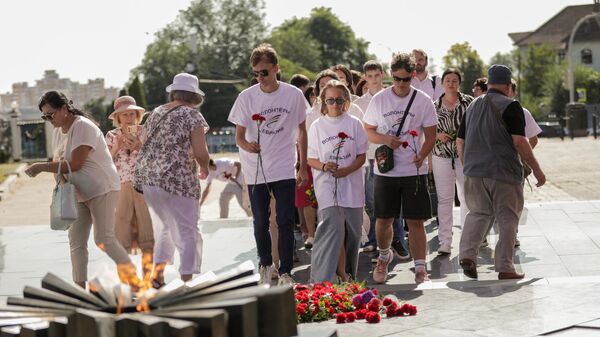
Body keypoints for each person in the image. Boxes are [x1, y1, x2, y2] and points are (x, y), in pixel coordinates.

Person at [25, 91, 140, 289]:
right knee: (76, 241)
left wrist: (40, 167)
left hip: (102, 188)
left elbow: (76, 163)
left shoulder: (83, 126)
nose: (48, 119)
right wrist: (60, 183)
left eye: (50, 114)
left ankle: (136, 282)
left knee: (103, 239)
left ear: (64, 109)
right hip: (77, 191)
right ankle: (79, 289)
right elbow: (59, 162)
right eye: (44, 116)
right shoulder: (57, 131)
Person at [228, 44, 309, 285]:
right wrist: (247, 145)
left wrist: (302, 166)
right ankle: (265, 265)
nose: (259, 77)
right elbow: (239, 136)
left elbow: (302, 132)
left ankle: (285, 271)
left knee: (285, 220)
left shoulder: (293, 94)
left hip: (284, 166)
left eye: (264, 72)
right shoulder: (246, 97)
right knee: (261, 221)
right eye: (255, 73)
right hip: (255, 170)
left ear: (276, 69)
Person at [456, 65, 546, 280]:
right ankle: (505, 267)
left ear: (488, 84)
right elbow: (520, 141)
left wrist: (468, 164)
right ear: (508, 85)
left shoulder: (472, 105)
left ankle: (467, 255)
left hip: (473, 172)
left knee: (477, 214)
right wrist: (537, 170)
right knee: (507, 218)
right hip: (503, 173)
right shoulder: (511, 105)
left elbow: (460, 141)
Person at [363, 53, 438, 284]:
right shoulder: (380, 99)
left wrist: (422, 155)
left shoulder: (423, 100)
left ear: (413, 76)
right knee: (383, 219)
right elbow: (368, 129)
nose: (400, 84)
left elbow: (432, 135)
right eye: (396, 79)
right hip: (386, 170)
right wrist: (385, 139)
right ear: (391, 75)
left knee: (416, 221)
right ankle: (384, 258)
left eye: (405, 79)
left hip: (413, 171)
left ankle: (420, 267)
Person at [134, 72, 210, 285]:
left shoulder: (157, 112)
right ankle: (186, 280)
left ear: (175, 91)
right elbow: (200, 151)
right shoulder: (192, 115)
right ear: (194, 95)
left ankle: (157, 276)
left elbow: (143, 140)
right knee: (188, 230)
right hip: (179, 180)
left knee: (163, 227)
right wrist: (204, 166)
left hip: (151, 180)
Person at [308, 80, 367, 282]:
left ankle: (348, 275)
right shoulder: (317, 126)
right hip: (327, 186)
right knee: (332, 229)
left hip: (352, 186)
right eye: (330, 100)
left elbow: (361, 155)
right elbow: (311, 158)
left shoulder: (354, 123)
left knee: (353, 234)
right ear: (324, 101)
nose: (335, 104)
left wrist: (347, 170)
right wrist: (324, 167)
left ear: (346, 101)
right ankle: (322, 280)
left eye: (339, 100)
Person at [480, 78, 542, 248]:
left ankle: (511, 235)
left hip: (513, 166)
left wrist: (520, 155)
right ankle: (484, 236)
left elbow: (532, 139)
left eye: (508, 90)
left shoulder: (521, 111)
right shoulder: (484, 110)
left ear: (512, 91)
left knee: (513, 204)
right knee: (487, 204)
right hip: (488, 166)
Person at [105, 96, 154, 279]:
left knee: (147, 231)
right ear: (118, 118)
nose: (128, 118)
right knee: (122, 231)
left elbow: (156, 160)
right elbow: (104, 165)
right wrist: (116, 147)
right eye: (124, 114)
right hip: (121, 187)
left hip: (144, 186)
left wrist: (140, 147)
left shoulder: (146, 132)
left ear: (137, 115)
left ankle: (148, 278)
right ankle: (125, 279)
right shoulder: (111, 136)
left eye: (131, 113)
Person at [432, 69, 474, 255]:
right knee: (444, 199)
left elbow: (476, 126)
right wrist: (437, 135)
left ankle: (467, 239)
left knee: (466, 196)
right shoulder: (433, 106)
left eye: (454, 80)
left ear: (459, 82)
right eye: (448, 80)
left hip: (464, 155)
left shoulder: (469, 103)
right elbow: (424, 130)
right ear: (442, 83)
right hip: (440, 155)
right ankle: (445, 241)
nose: (451, 83)